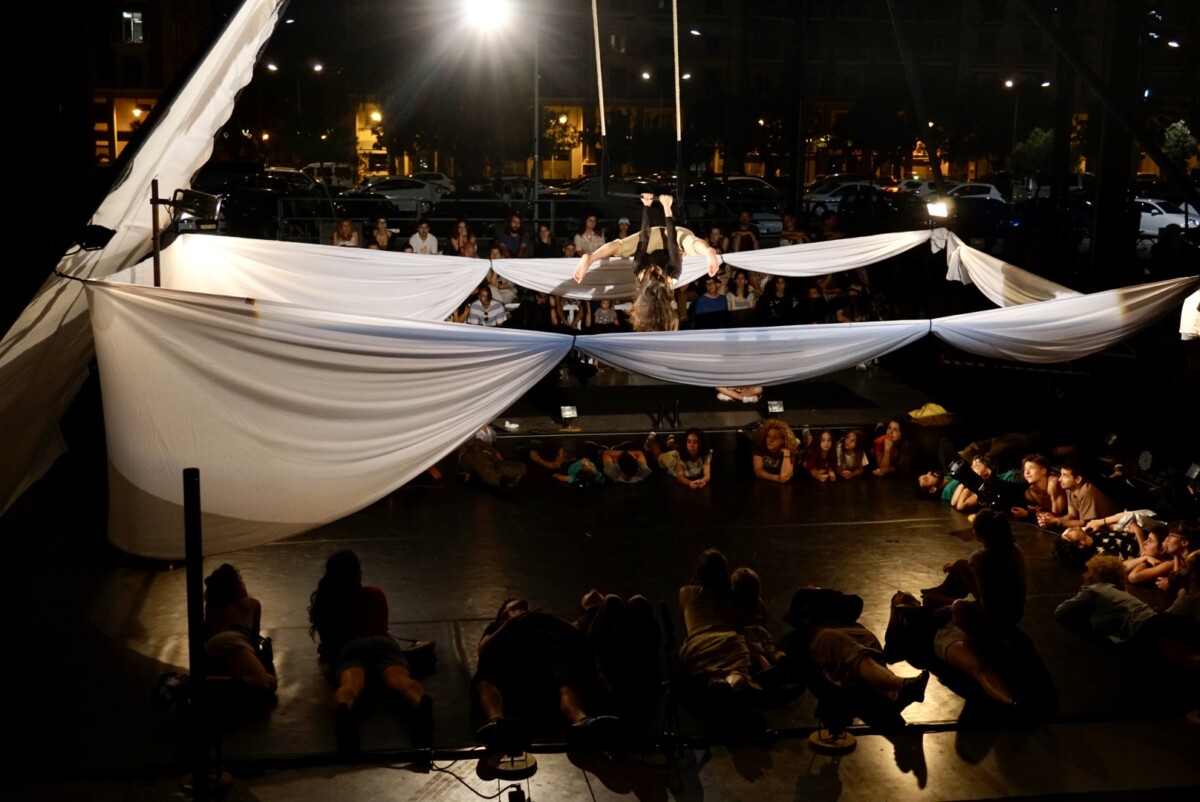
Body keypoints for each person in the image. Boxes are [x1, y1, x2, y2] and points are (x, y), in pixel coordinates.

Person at [308, 550, 432, 751]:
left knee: (351, 685)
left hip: (351, 649)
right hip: (383, 644)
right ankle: (419, 703)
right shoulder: (375, 593)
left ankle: (344, 708)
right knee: (400, 680)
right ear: (358, 573)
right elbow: (382, 627)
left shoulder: (331, 602)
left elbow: (329, 643)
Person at [472, 597, 618, 751]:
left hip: (545, 661)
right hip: (508, 662)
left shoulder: (542, 621)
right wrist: (509, 624)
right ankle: (497, 724)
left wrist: (549, 619)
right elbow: (482, 650)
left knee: (566, 680)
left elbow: (577, 635)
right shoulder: (497, 626)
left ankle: (582, 721)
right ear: (504, 612)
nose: (522, 606)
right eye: (515, 605)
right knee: (484, 679)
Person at [786, 587, 930, 714]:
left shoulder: (833, 601)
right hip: (826, 632)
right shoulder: (806, 605)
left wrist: (823, 592)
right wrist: (817, 593)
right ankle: (901, 685)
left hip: (851, 628)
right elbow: (797, 616)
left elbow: (854, 602)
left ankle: (893, 695)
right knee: (855, 654)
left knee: (869, 652)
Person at [922, 510, 1027, 642]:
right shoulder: (1014, 549)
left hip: (996, 617)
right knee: (960, 564)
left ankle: (939, 596)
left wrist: (951, 608)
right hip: (1015, 610)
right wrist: (965, 565)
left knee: (929, 600)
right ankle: (941, 592)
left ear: (979, 535)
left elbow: (988, 605)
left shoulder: (980, 559)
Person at [572, 193, 720, 286]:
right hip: (674, 240)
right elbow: (673, 242)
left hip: (652, 243)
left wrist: (647, 206)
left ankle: (591, 257)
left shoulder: (640, 272)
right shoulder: (673, 276)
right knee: (689, 244)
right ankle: (707, 251)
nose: (655, 271)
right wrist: (667, 208)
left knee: (621, 247)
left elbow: (644, 239)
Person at [678, 549, 758, 695]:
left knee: (711, 672)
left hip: (697, 645)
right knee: (738, 670)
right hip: (728, 640)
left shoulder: (686, 593)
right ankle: (731, 684)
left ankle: (715, 682)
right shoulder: (731, 596)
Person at [203, 564, 278, 694]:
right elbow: (253, 640)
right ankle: (210, 682)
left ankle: (206, 681)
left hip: (211, 648)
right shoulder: (252, 604)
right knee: (268, 683)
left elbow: (206, 633)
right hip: (236, 644)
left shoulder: (211, 606)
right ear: (237, 584)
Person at [1037, 459, 1119, 531]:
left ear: (1078, 479)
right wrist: (1052, 520)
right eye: (1061, 475)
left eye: (1065, 475)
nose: (1059, 479)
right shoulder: (1069, 489)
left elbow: (1085, 523)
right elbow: (1072, 514)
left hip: (1112, 526)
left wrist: (1056, 522)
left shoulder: (1087, 491)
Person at [458, 424, 526, 491]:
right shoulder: (467, 430)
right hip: (471, 455)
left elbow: (485, 445)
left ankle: (513, 473)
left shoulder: (490, 431)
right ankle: (500, 481)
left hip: (487, 454)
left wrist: (494, 452)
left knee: (513, 467)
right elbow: (472, 443)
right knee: (482, 462)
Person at [644, 428, 712, 490]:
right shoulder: (680, 457)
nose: (691, 445)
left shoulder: (705, 455)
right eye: (689, 442)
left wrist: (702, 481)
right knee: (658, 455)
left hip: (681, 453)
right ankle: (650, 440)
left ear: (701, 444)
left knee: (678, 448)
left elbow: (707, 475)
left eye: (695, 442)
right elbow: (680, 477)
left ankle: (670, 442)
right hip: (672, 460)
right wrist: (690, 483)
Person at [1009, 454, 1067, 521]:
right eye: (1025, 469)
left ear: (1043, 471)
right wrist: (1036, 512)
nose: (1027, 473)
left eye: (1031, 468)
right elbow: (1044, 516)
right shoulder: (1029, 494)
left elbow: (1057, 514)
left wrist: (1028, 513)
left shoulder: (1053, 483)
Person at [748, 418, 798, 483]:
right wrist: (776, 478)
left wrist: (786, 453)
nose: (770, 440)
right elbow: (758, 471)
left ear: (782, 441)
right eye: (768, 436)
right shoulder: (760, 446)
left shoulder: (789, 450)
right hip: (762, 484)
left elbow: (785, 476)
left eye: (775, 438)